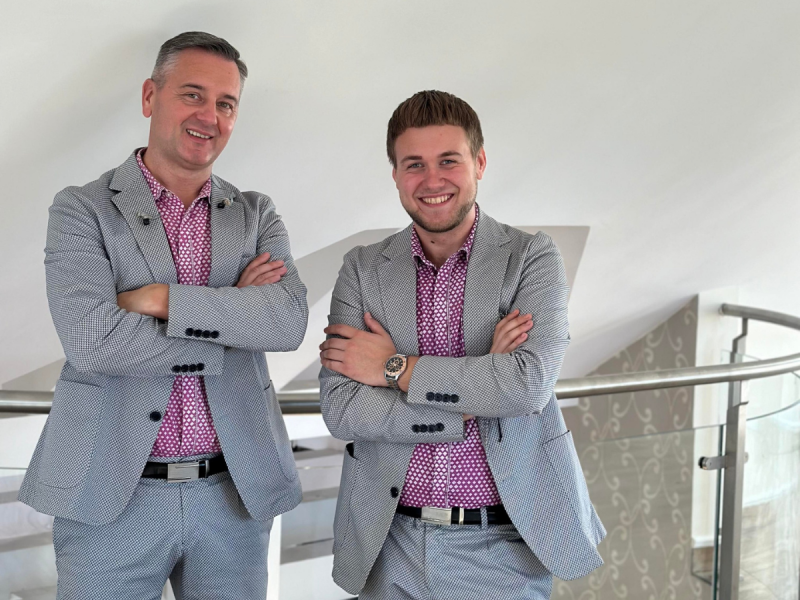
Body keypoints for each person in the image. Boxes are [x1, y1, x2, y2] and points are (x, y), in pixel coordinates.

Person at [18, 31, 308, 599]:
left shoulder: (255, 215)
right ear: (151, 96)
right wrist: (234, 320)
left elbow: (287, 323)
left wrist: (161, 300)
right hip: (108, 496)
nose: (210, 116)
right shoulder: (82, 209)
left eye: (226, 104)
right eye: (192, 95)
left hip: (233, 495)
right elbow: (92, 341)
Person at [319, 90, 605, 599]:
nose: (432, 180)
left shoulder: (531, 258)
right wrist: (476, 393)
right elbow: (342, 409)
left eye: (448, 160)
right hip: (388, 543)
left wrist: (392, 368)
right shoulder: (362, 269)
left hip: (502, 549)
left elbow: (526, 386)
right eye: (414, 164)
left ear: (480, 163)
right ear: (395, 174)